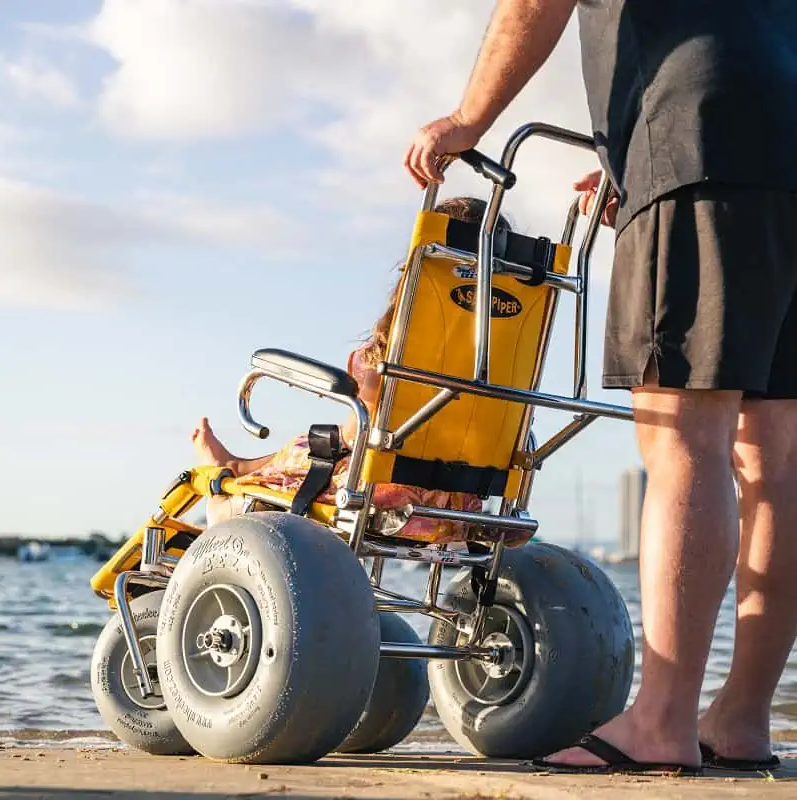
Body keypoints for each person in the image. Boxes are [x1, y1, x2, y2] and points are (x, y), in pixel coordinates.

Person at [404, 0, 797, 776]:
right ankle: (741, 719)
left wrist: (466, 118)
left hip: (699, 135)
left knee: (686, 435)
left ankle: (660, 722)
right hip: (778, 147)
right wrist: (634, 161)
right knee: (775, 458)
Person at [191, 195, 527, 545]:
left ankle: (229, 477)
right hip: (457, 507)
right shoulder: (513, 349)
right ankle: (238, 464)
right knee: (329, 446)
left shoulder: (403, 342)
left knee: (325, 444)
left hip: (379, 501)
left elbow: (355, 434)